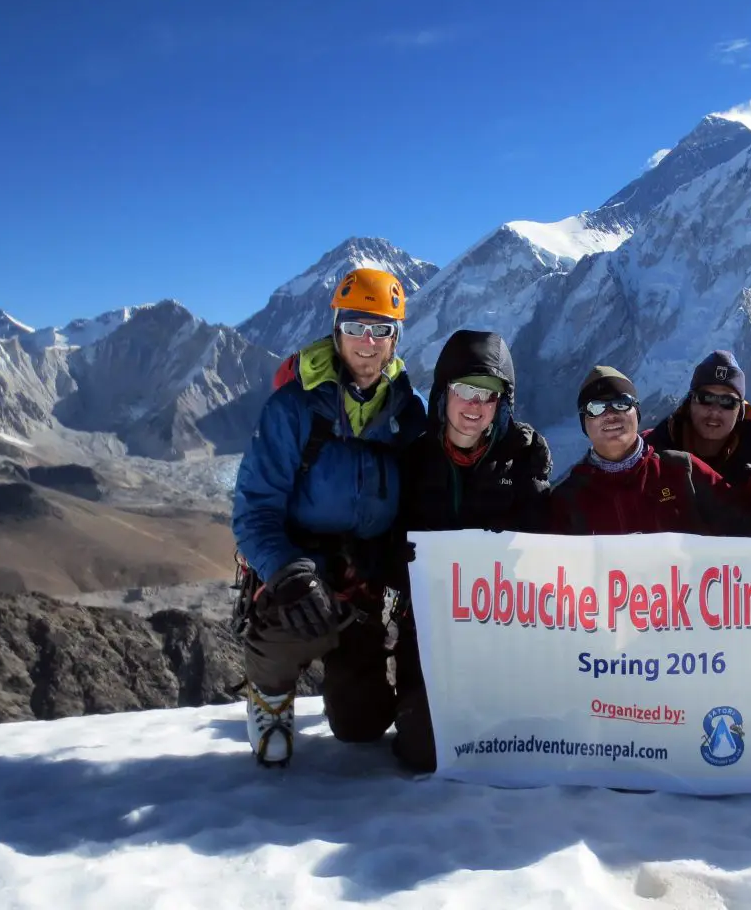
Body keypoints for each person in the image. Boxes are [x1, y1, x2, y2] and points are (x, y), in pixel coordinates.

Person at [230, 267, 428, 768]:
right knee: (288, 618)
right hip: (299, 566)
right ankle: (270, 694)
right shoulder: (293, 407)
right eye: (356, 326)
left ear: (396, 338)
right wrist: (286, 571)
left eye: (381, 329)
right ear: (337, 329)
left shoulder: (409, 411)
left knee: (361, 725)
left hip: (364, 576)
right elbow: (254, 508)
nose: (368, 341)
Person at [391, 329, 554, 772]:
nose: (474, 406)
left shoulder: (521, 458)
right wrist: (399, 563)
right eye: (465, 390)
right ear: (443, 393)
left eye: (488, 395)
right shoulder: (413, 459)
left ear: (502, 403)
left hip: (502, 630)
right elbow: (385, 539)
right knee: (424, 750)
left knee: (521, 737)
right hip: (429, 630)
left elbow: (546, 543)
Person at [551, 365, 751, 547]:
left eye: (621, 403)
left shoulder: (682, 471)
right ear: (584, 423)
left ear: (637, 413)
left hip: (688, 625)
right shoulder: (568, 497)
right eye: (596, 408)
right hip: (609, 630)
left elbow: (748, 522)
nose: (610, 415)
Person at [643, 350, 751, 504]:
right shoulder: (650, 452)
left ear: (740, 411)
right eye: (706, 398)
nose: (715, 411)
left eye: (727, 402)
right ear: (689, 403)